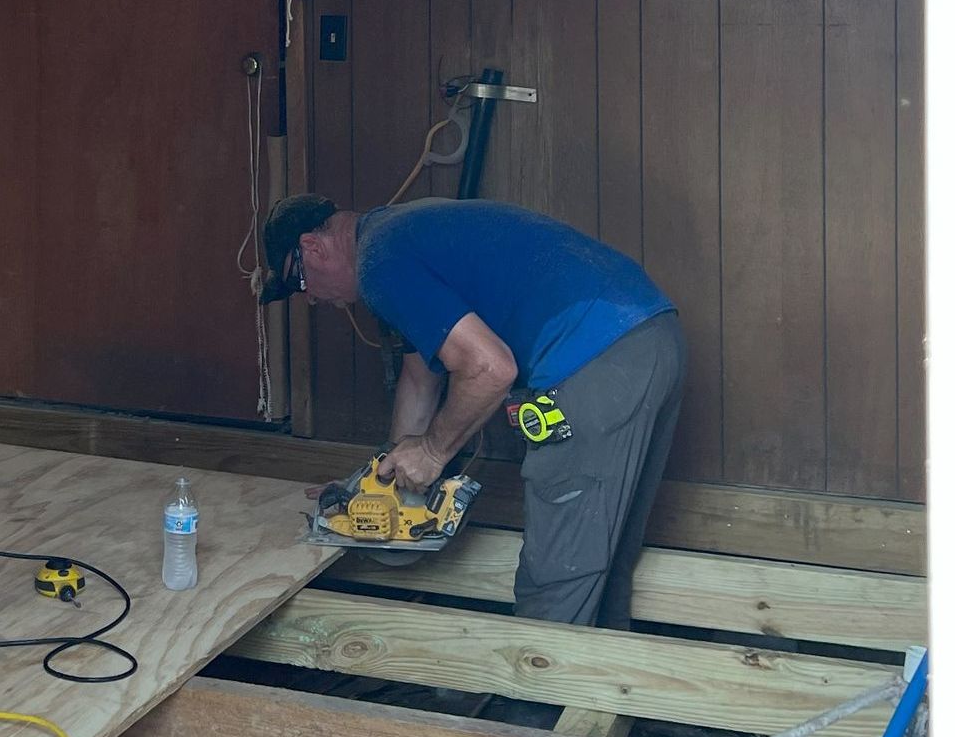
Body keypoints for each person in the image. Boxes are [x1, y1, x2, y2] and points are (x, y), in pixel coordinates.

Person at [259, 194, 684, 629]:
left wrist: (431, 452)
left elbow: (490, 369)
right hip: (650, 331)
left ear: (313, 248)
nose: (308, 299)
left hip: (595, 358)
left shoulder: (379, 263)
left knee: (559, 572)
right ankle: (599, 692)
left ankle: (537, 694)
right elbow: (419, 380)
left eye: (300, 284)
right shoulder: (396, 233)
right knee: (603, 556)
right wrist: (375, 483)